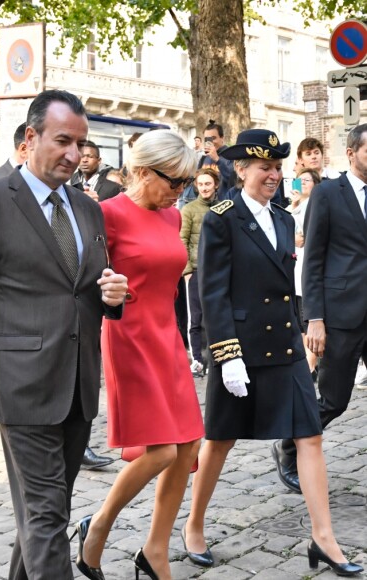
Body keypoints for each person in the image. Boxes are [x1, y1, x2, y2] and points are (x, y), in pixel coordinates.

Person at [0, 89, 128, 580]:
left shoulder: (88, 210)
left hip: (77, 387)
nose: (74, 154)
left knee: (45, 512)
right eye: (63, 141)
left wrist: (113, 296)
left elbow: (85, 290)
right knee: (44, 514)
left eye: (80, 144)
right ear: (30, 138)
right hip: (21, 385)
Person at [183, 129, 363, 578]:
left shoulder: (283, 219)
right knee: (219, 440)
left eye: (278, 167)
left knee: (310, 437)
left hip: (283, 346)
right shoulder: (221, 218)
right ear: (241, 170)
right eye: (265, 167)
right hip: (241, 349)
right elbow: (213, 292)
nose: (274, 175)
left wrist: (306, 330)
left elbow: (287, 288)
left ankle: (324, 539)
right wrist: (226, 354)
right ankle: (194, 523)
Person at [77, 130, 203, 580]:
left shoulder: (171, 218)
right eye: (175, 182)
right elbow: (84, 281)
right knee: (160, 451)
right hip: (127, 335)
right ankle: (97, 527)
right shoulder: (105, 214)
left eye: (187, 183)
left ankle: (155, 552)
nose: (180, 192)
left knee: (190, 444)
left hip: (166, 336)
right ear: (144, 171)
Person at [275, 123, 367, 498]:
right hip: (342, 314)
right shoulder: (328, 194)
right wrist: (315, 319)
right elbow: (312, 260)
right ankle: (288, 446)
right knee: (333, 399)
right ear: (351, 153)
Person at [180, 168, 220, 378]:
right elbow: (181, 240)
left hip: (218, 270)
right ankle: (197, 359)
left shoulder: (224, 207)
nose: (204, 188)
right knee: (195, 318)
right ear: (196, 186)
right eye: (201, 184)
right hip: (195, 270)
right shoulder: (188, 210)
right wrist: (187, 270)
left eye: (208, 184)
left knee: (216, 314)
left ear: (215, 185)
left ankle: (215, 357)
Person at [287, 168, 321, 379]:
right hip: (295, 270)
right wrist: (295, 203)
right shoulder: (293, 207)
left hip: (309, 268)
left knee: (309, 319)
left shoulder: (315, 205)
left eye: (307, 180)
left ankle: (310, 365)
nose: (302, 184)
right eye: (299, 181)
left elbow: (305, 236)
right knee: (299, 319)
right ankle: (306, 363)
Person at [199, 119, 237, 199]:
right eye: (207, 139)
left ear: (222, 138)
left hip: (224, 203)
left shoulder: (231, 156)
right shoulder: (204, 158)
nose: (211, 142)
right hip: (206, 205)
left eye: (213, 138)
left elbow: (233, 181)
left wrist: (217, 159)